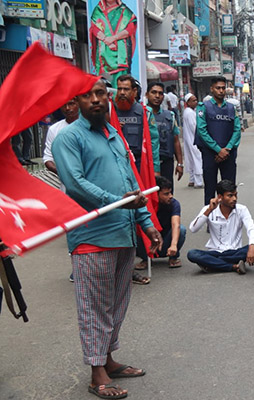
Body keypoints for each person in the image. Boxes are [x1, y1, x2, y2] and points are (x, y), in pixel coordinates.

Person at [52, 79, 162, 399]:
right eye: (87, 96)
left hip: (124, 233)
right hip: (92, 237)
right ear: (77, 102)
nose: (96, 100)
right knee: (94, 307)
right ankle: (96, 373)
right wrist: (117, 201)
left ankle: (109, 360)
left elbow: (133, 184)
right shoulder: (68, 138)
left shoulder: (113, 135)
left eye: (101, 93)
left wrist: (147, 224)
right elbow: (75, 184)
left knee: (117, 304)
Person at [187, 180, 254, 274]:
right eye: (230, 195)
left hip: (234, 252)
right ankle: (233, 266)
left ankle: (213, 263)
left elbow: (251, 229)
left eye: (235, 195)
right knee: (192, 254)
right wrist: (208, 211)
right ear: (220, 197)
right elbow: (193, 229)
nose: (234, 199)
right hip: (215, 251)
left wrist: (252, 247)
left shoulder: (242, 209)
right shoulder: (209, 209)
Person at [196, 76, 242, 205]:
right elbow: (202, 130)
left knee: (230, 190)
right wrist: (218, 149)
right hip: (210, 154)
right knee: (210, 189)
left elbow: (237, 130)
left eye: (223, 88)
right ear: (212, 89)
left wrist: (227, 149)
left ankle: (230, 219)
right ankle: (210, 220)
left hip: (228, 153)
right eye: (218, 88)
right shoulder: (203, 107)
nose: (221, 91)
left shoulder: (232, 108)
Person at [135, 176, 186, 269]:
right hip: (149, 243)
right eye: (166, 194)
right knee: (136, 228)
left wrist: (173, 245)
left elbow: (176, 225)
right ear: (156, 194)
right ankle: (145, 259)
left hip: (166, 244)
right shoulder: (145, 204)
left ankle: (173, 257)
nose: (170, 196)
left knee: (181, 229)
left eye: (170, 192)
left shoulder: (174, 204)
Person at [115, 74, 160, 173]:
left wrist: (155, 168)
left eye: (126, 89)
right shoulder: (110, 112)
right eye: (119, 89)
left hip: (139, 163)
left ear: (134, 91)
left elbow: (153, 142)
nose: (122, 93)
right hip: (116, 163)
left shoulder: (144, 112)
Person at [89, 0, 137, 86]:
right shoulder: (98, 10)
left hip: (120, 57)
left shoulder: (125, 12)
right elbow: (95, 29)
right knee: (105, 84)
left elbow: (130, 29)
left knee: (121, 84)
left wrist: (113, 38)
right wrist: (106, 40)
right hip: (103, 56)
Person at [146, 82, 183, 190]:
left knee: (167, 195)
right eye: (154, 92)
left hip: (166, 162)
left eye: (160, 93)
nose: (157, 96)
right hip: (148, 164)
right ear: (147, 94)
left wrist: (180, 164)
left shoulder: (169, 116)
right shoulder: (141, 114)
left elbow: (175, 140)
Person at [43, 99, 80, 174]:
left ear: (79, 104)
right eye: (63, 105)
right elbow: (48, 158)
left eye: (71, 104)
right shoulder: (54, 129)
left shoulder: (91, 127)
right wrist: (63, 173)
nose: (67, 108)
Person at [182, 93, 203, 188]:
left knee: (191, 159)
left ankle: (192, 180)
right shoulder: (190, 113)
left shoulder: (188, 111)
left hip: (189, 139)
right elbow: (194, 127)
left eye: (196, 100)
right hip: (194, 139)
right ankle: (198, 182)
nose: (196, 102)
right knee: (197, 159)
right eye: (193, 100)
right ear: (188, 102)